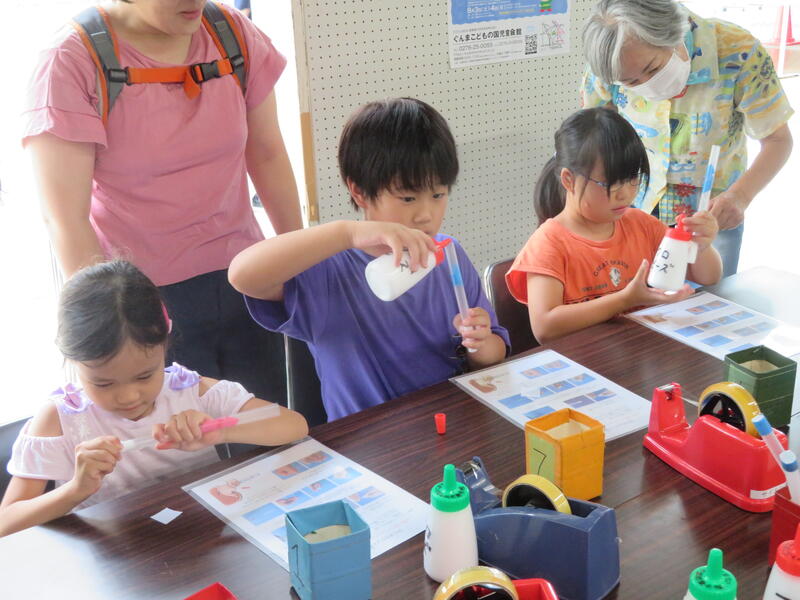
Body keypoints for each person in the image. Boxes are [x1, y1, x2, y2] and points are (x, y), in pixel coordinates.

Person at [23, 0, 302, 405]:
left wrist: (297, 262)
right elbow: (66, 219)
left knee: (266, 434)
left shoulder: (231, 33)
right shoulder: (71, 61)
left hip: (246, 278)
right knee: (178, 451)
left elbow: (268, 153)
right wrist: (115, 328)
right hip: (146, 304)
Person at [229, 98, 510, 420]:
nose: (426, 215)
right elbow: (242, 275)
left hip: (452, 422)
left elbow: (492, 356)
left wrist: (480, 342)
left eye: (438, 195)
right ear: (359, 191)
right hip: (369, 442)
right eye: (407, 197)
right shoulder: (326, 269)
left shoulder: (449, 254)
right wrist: (347, 234)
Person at [0, 260, 308, 537]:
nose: (128, 396)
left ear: (165, 346)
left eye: (145, 375)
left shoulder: (188, 390)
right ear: (73, 362)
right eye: (103, 383)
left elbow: (295, 426)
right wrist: (76, 490)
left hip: (199, 542)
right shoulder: (60, 419)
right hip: (114, 564)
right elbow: (7, 523)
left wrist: (221, 430)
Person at [581, 0, 793, 277]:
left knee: (711, 304)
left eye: (654, 69)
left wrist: (739, 197)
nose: (646, 84)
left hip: (711, 216)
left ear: (673, 35)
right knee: (637, 310)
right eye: (630, 82)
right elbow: (597, 136)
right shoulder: (608, 62)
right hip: (632, 210)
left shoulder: (736, 50)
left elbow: (778, 140)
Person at [506, 108, 722, 343]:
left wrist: (701, 244)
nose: (625, 194)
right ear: (569, 180)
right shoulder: (549, 243)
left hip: (637, 353)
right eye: (610, 184)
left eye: (632, 180)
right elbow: (545, 327)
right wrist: (624, 300)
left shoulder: (641, 225)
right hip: (584, 363)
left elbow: (708, 277)